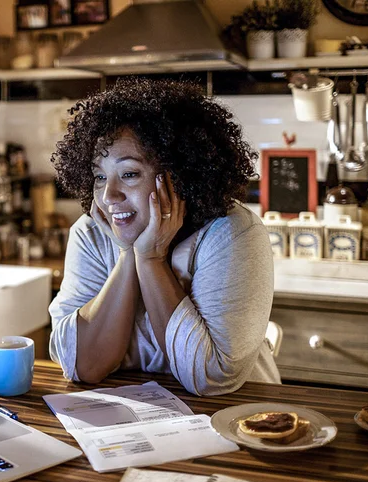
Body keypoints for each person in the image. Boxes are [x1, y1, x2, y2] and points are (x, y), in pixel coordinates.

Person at [48, 78, 280, 396]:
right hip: (131, 424)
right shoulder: (90, 234)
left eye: (129, 174)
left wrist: (151, 258)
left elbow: (209, 378)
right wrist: (129, 253)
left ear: (178, 173)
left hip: (239, 421)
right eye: (100, 177)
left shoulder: (232, 234)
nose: (108, 196)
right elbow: (83, 365)